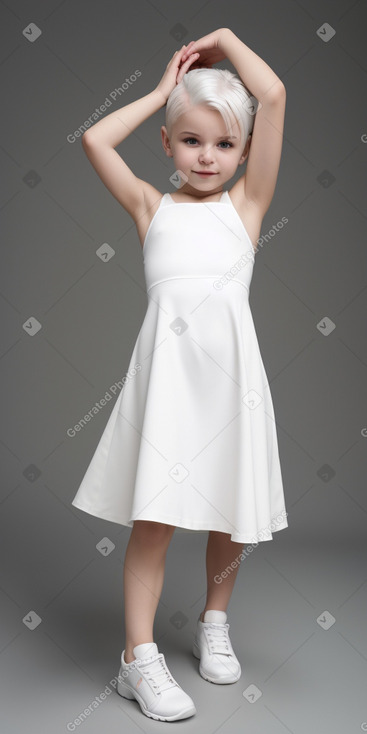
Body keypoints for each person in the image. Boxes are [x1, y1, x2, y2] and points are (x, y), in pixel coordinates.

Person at [71, 27, 288, 722]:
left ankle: (214, 622)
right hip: (166, 390)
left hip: (230, 384)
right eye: (190, 139)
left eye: (225, 144)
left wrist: (225, 37)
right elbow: (96, 141)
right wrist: (163, 92)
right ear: (166, 146)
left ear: (245, 153)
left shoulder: (246, 210)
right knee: (156, 520)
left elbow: (274, 94)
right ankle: (138, 658)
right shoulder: (149, 208)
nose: (207, 155)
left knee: (230, 512)